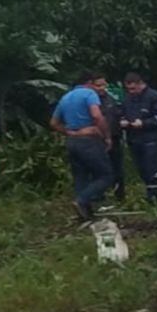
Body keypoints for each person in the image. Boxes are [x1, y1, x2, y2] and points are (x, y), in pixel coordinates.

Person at [50, 72, 113, 221]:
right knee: (106, 175)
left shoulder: (66, 97)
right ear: (90, 83)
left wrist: (70, 132)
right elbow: (97, 116)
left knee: (80, 176)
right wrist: (106, 136)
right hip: (89, 140)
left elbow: (53, 123)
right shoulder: (89, 94)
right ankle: (82, 200)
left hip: (72, 141)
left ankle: (84, 212)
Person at [121, 73, 157, 203]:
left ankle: (154, 197)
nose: (131, 92)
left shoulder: (154, 96)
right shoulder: (128, 98)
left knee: (151, 166)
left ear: (140, 84)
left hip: (150, 138)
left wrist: (144, 123)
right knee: (140, 167)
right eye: (128, 89)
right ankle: (148, 192)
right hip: (133, 138)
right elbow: (123, 113)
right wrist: (123, 121)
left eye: (133, 89)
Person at [100, 87, 127, 201]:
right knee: (100, 169)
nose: (101, 88)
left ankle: (119, 196)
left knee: (117, 168)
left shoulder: (111, 99)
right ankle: (100, 197)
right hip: (99, 139)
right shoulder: (91, 100)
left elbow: (119, 113)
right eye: (98, 85)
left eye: (103, 84)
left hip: (114, 137)